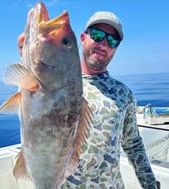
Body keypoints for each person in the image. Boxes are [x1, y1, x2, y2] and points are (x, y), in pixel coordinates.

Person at [17, 10, 160, 189]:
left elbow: (133, 144)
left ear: (115, 49)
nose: (104, 44)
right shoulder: (49, 82)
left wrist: (150, 185)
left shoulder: (123, 94)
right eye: (98, 35)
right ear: (83, 38)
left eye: (112, 41)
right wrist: (29, 58)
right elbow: (31, 109)